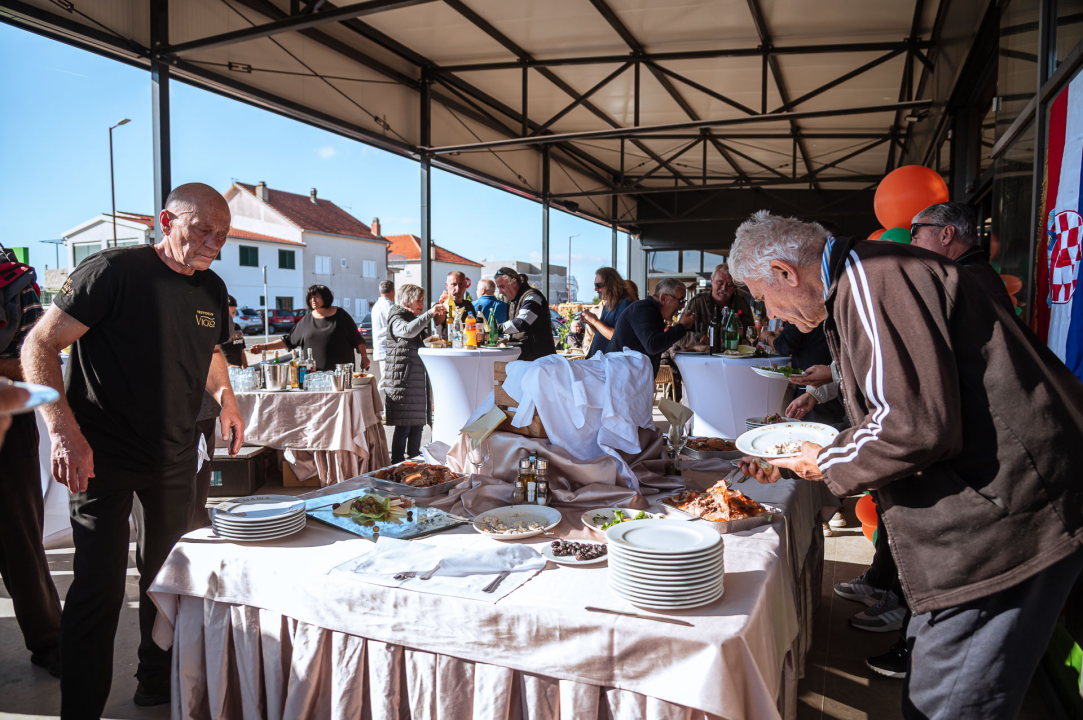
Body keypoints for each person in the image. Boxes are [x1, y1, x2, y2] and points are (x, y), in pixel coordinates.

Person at [730, 210, 1083, 720]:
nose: (773, 314)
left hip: (1005, 522)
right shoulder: (865, 275)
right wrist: (792, 460)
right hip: (999, 513)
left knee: (946, 704)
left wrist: (825, 459)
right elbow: (902, 403)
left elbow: (912, 426)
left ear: (786, 272)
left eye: (762, 295)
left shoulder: (873, 278)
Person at [24, 183, 246, 714]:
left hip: (172, 455)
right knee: (98, 591)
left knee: (164, 579)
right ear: (166, 220)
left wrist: (227, 399)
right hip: (100, 456)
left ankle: (155, 681)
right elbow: (41, 344)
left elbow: (211, 348)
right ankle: (81, 708)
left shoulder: (211, 288)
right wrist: (62, 431)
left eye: (223, 235)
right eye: (201, 231)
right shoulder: (111, 273)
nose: (213, 243)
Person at [0, 259, 63, 679]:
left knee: (18, 534)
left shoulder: (14, 282)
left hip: (9, 420)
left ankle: (48, 639)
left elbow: (33, 356)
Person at [911, 201, 1014, 312]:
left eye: (916, 238)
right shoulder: (974, 273)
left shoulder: (958, 281)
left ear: (946, 235)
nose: (912, 244)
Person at [384, 284, 445, 462]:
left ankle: (414, 463)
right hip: (403, 383)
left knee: (417, 426)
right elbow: (407, 331)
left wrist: (438, 321)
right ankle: (396, 465)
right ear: (406, 301)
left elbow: (425, 340)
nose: (421, 304)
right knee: (404, 428)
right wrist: (429, 314)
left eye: (422, 300)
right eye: (418, 300)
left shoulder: (411, 317)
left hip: (415, 383)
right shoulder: (396, 317)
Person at [251, 284, 370, 372]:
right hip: (314, 377)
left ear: (326, 297)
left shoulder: (341, 315)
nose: (313, 300)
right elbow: (288, 341)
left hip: (340, 375)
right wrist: (264, 347)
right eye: (311, 297)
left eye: (317, 297)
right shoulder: (306, 320)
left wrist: (364, 357)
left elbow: (357, 339)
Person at [605, 277, 695, 376]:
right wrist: (682, 327)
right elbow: (652, 345)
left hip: (626, 377)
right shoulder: (643, 310)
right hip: (620, 379)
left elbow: (650, 346)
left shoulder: (652, 313)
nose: (682, 306)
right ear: (663, 298)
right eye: (681, 300)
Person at [493, 267, 556, 361]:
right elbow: (519, 332)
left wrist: (494, 328)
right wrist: (506, 339)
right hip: (526, 359)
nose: (500, 292)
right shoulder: (514, 301)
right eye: (498, 288)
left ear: (514, 282)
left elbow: (521, 323)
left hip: (540, 360)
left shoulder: (533, 296)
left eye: (502, 287)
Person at [571, 267, 634, 358]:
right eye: (595, 285)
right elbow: (603, 333)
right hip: (600, 363)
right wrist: (592, 324)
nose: (595, 289)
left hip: (610, 365)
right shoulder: (609, 304)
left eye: (599, 285)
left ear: (611, 284)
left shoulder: (624, 304)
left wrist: (595, 321)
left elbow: (616, 336)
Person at [685, 263, 754, 339]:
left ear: (734, 285)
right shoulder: (697, 303)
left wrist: (746, 341)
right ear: (711, 280)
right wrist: (699, 338)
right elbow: (680, 335)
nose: (724, 288)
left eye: (729, 284)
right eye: (720, 283)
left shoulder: (742, 304)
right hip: (703, 350)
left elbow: (752, 333)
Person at [371, 280, 395, 404]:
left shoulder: (376, 306)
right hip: (387, 347)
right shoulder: (389, 306)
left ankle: (383, 408)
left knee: (385, 378)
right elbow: (394, 326)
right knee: (386, 380)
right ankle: (381, 408)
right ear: (393, 291)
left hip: (381, 347)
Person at [436, 270, 476, 341]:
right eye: (453, 284)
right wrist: (442, 304)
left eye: (461, 284)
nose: (458, 289)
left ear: (465, 285)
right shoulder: (440, 305)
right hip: (446, 348)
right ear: (447, 285)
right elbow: (437, 321)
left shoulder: (468, 304)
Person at [218, 294, 248, 368]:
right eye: (228, 312)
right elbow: (215, 354)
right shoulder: (217, 330)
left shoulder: (237, 327)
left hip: (238, 371)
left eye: (233, 312)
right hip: (225, 371)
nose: (231, 316)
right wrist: (229, 365)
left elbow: (242, 351)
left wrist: (247, 368)